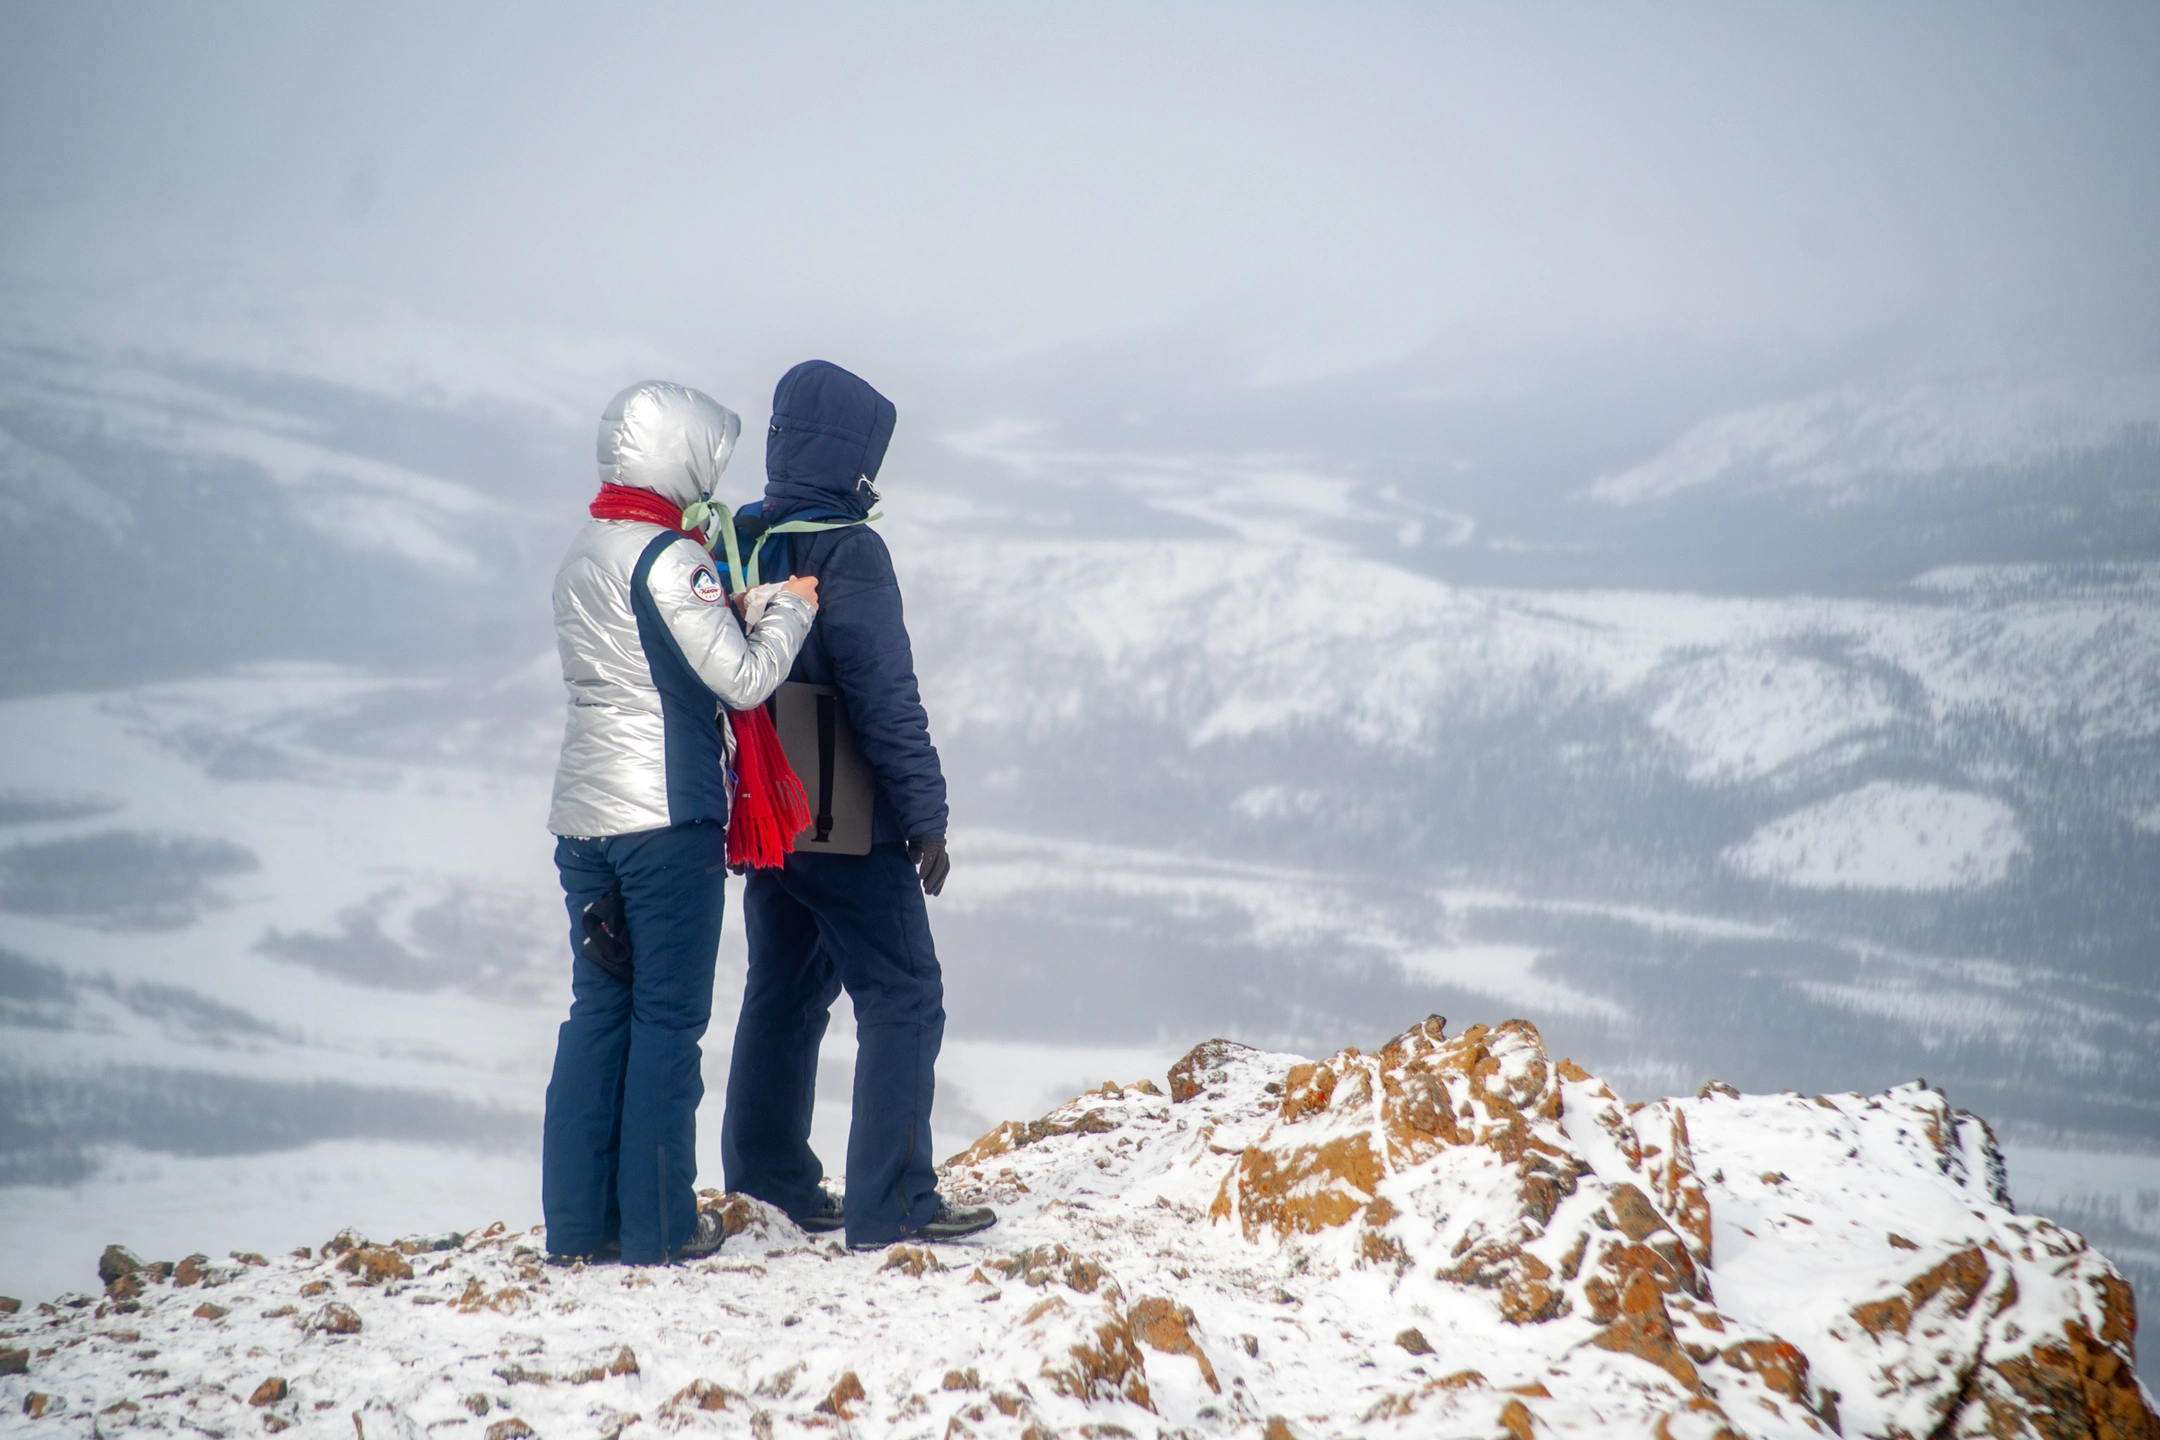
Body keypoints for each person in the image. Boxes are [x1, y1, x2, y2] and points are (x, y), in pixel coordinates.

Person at [542, 380, 818, 1265]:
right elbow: (741, 679)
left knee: (599, 1012)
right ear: (677, 456)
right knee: (668, 1019)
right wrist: (789, 610)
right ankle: (660, 1225)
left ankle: (583, 1224)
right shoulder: (671, 559)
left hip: (584, 820)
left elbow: (644, 660)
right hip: (665, 818)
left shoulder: (584, 551)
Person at [720, 360, 994, 1248]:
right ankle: (895, 1202)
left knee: (784, 995)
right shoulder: (849, 550)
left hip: (767, 810)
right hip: (846, 820)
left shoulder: (748, 536)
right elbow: (884, 694)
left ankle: (768, 1183)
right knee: (905, 990)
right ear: (847, 454)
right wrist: (927, 816)